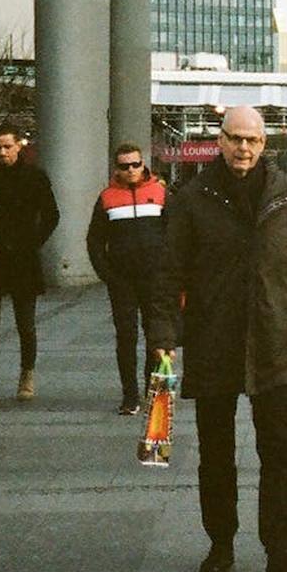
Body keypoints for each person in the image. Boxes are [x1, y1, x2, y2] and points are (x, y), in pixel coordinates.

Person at [149, 106, 287, 572]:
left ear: (263, 144)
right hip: (214, 338)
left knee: (277, 450)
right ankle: (221, 543)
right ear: (220, 139)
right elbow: (167, 274)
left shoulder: (283, 194)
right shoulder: (193, 198)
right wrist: (163, 338)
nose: (244, 149)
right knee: (217, 452)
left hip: (273, 339)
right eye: (235, 139)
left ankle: (280, 554)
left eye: (253, 141)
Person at [0, 124, 59, 415]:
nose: (1, 152)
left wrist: (33, 241)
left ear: (18, 146)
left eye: (7, 146)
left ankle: (27, 373)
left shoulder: (34, 177)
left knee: (26, 324)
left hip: (23, 259)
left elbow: (52, 214)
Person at [86, 143, 167, 415]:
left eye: (135, 164)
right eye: (124, 166)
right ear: (116, 169)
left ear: (143, 164)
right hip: (122, 281)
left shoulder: (160, 192)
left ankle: (151, 390)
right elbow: (94, 241)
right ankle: (130, 396)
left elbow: (175, 233)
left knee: (155, 336)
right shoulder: (107, 197)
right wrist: (108, 275)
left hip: (155, 278)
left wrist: (171, 271)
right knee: (126, 337)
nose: (131, 170)